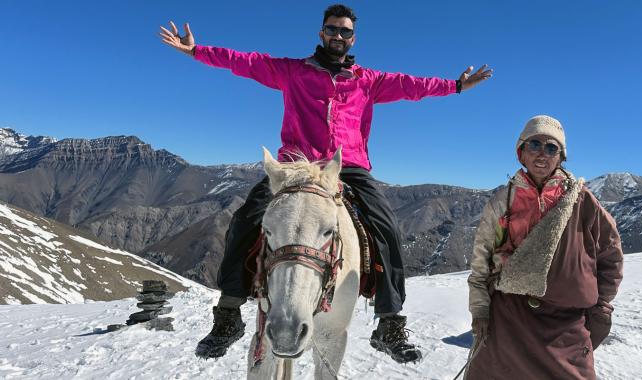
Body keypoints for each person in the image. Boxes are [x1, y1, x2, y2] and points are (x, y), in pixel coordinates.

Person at [158, 4, 492, 363]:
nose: (338, 36)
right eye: (332, 29)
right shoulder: (293, 72)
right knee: (246, 217)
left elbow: (414, 86)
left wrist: (456, 86)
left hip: (348, 168)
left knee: (386, 227)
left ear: (353, 38)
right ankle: (227, 315)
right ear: (321, 33)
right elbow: (246, 62)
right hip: (296, 165)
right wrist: (196, 51)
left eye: (345, 31)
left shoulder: (369, 81)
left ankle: (389, 324)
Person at [465, 115, 624, 379]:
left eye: (552, 148)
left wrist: (601, 303)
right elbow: (481, 262)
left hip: (567, 325)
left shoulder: (581, 201)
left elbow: (610, 254)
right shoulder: (502, 202)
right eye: (534, 144)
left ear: (561, 157)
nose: (542, 153)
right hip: (509, 319)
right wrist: (480, 310)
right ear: (521, 153)